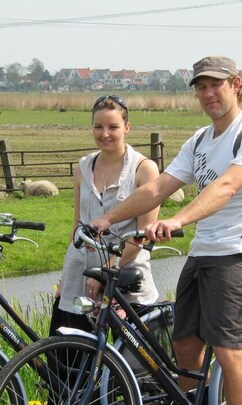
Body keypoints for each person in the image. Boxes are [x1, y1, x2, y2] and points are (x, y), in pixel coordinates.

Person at [90, 56, 242, 405]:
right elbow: (158, 187)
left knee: (227, 347)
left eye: (216, 85)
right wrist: (107, 219)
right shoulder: (199, 140)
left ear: (236, 85)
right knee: (184, 345)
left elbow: (226, 187)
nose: (208, 95)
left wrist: (177, 221)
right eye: (201, 88)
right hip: (204, 253)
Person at [49, 95, 161, 335]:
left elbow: (141, 237)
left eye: (113, 127)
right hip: (80, 276)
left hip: (125, 278)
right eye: (98, 127)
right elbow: (77, 226)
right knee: (68, 364)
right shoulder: (83, 168)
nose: (105, 134)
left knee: (134, 364)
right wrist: (64, 279)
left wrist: (107, 271)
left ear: (127, 128)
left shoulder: (143, 170)